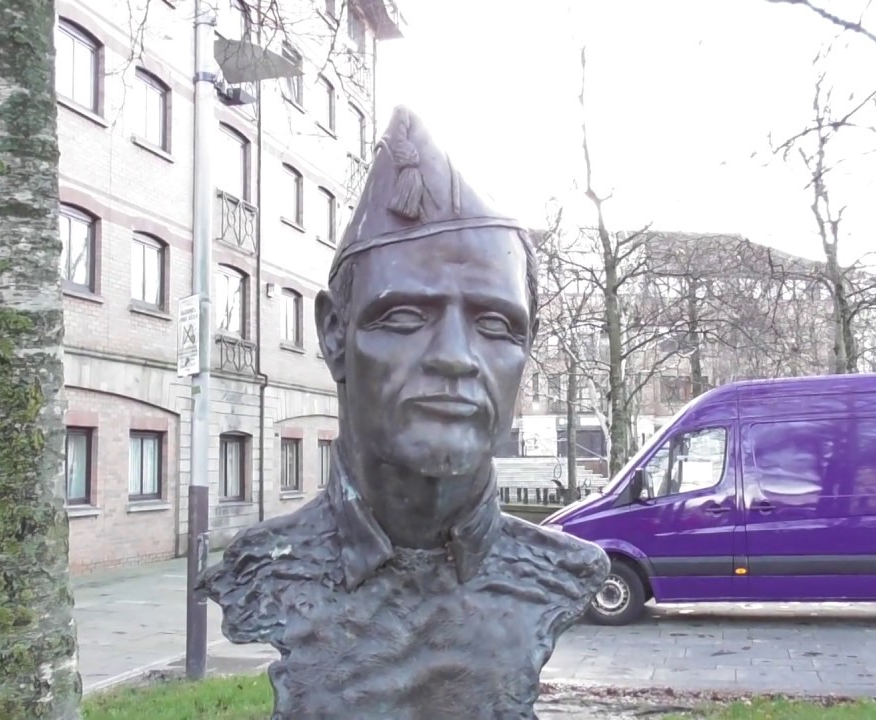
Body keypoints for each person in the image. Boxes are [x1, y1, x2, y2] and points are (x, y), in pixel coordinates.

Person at [197, 105, 610, 720]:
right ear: (334, 334)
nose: (455, 357)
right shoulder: (260, 572)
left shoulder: (563, 573)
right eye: (405, 316)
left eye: (496, 325)